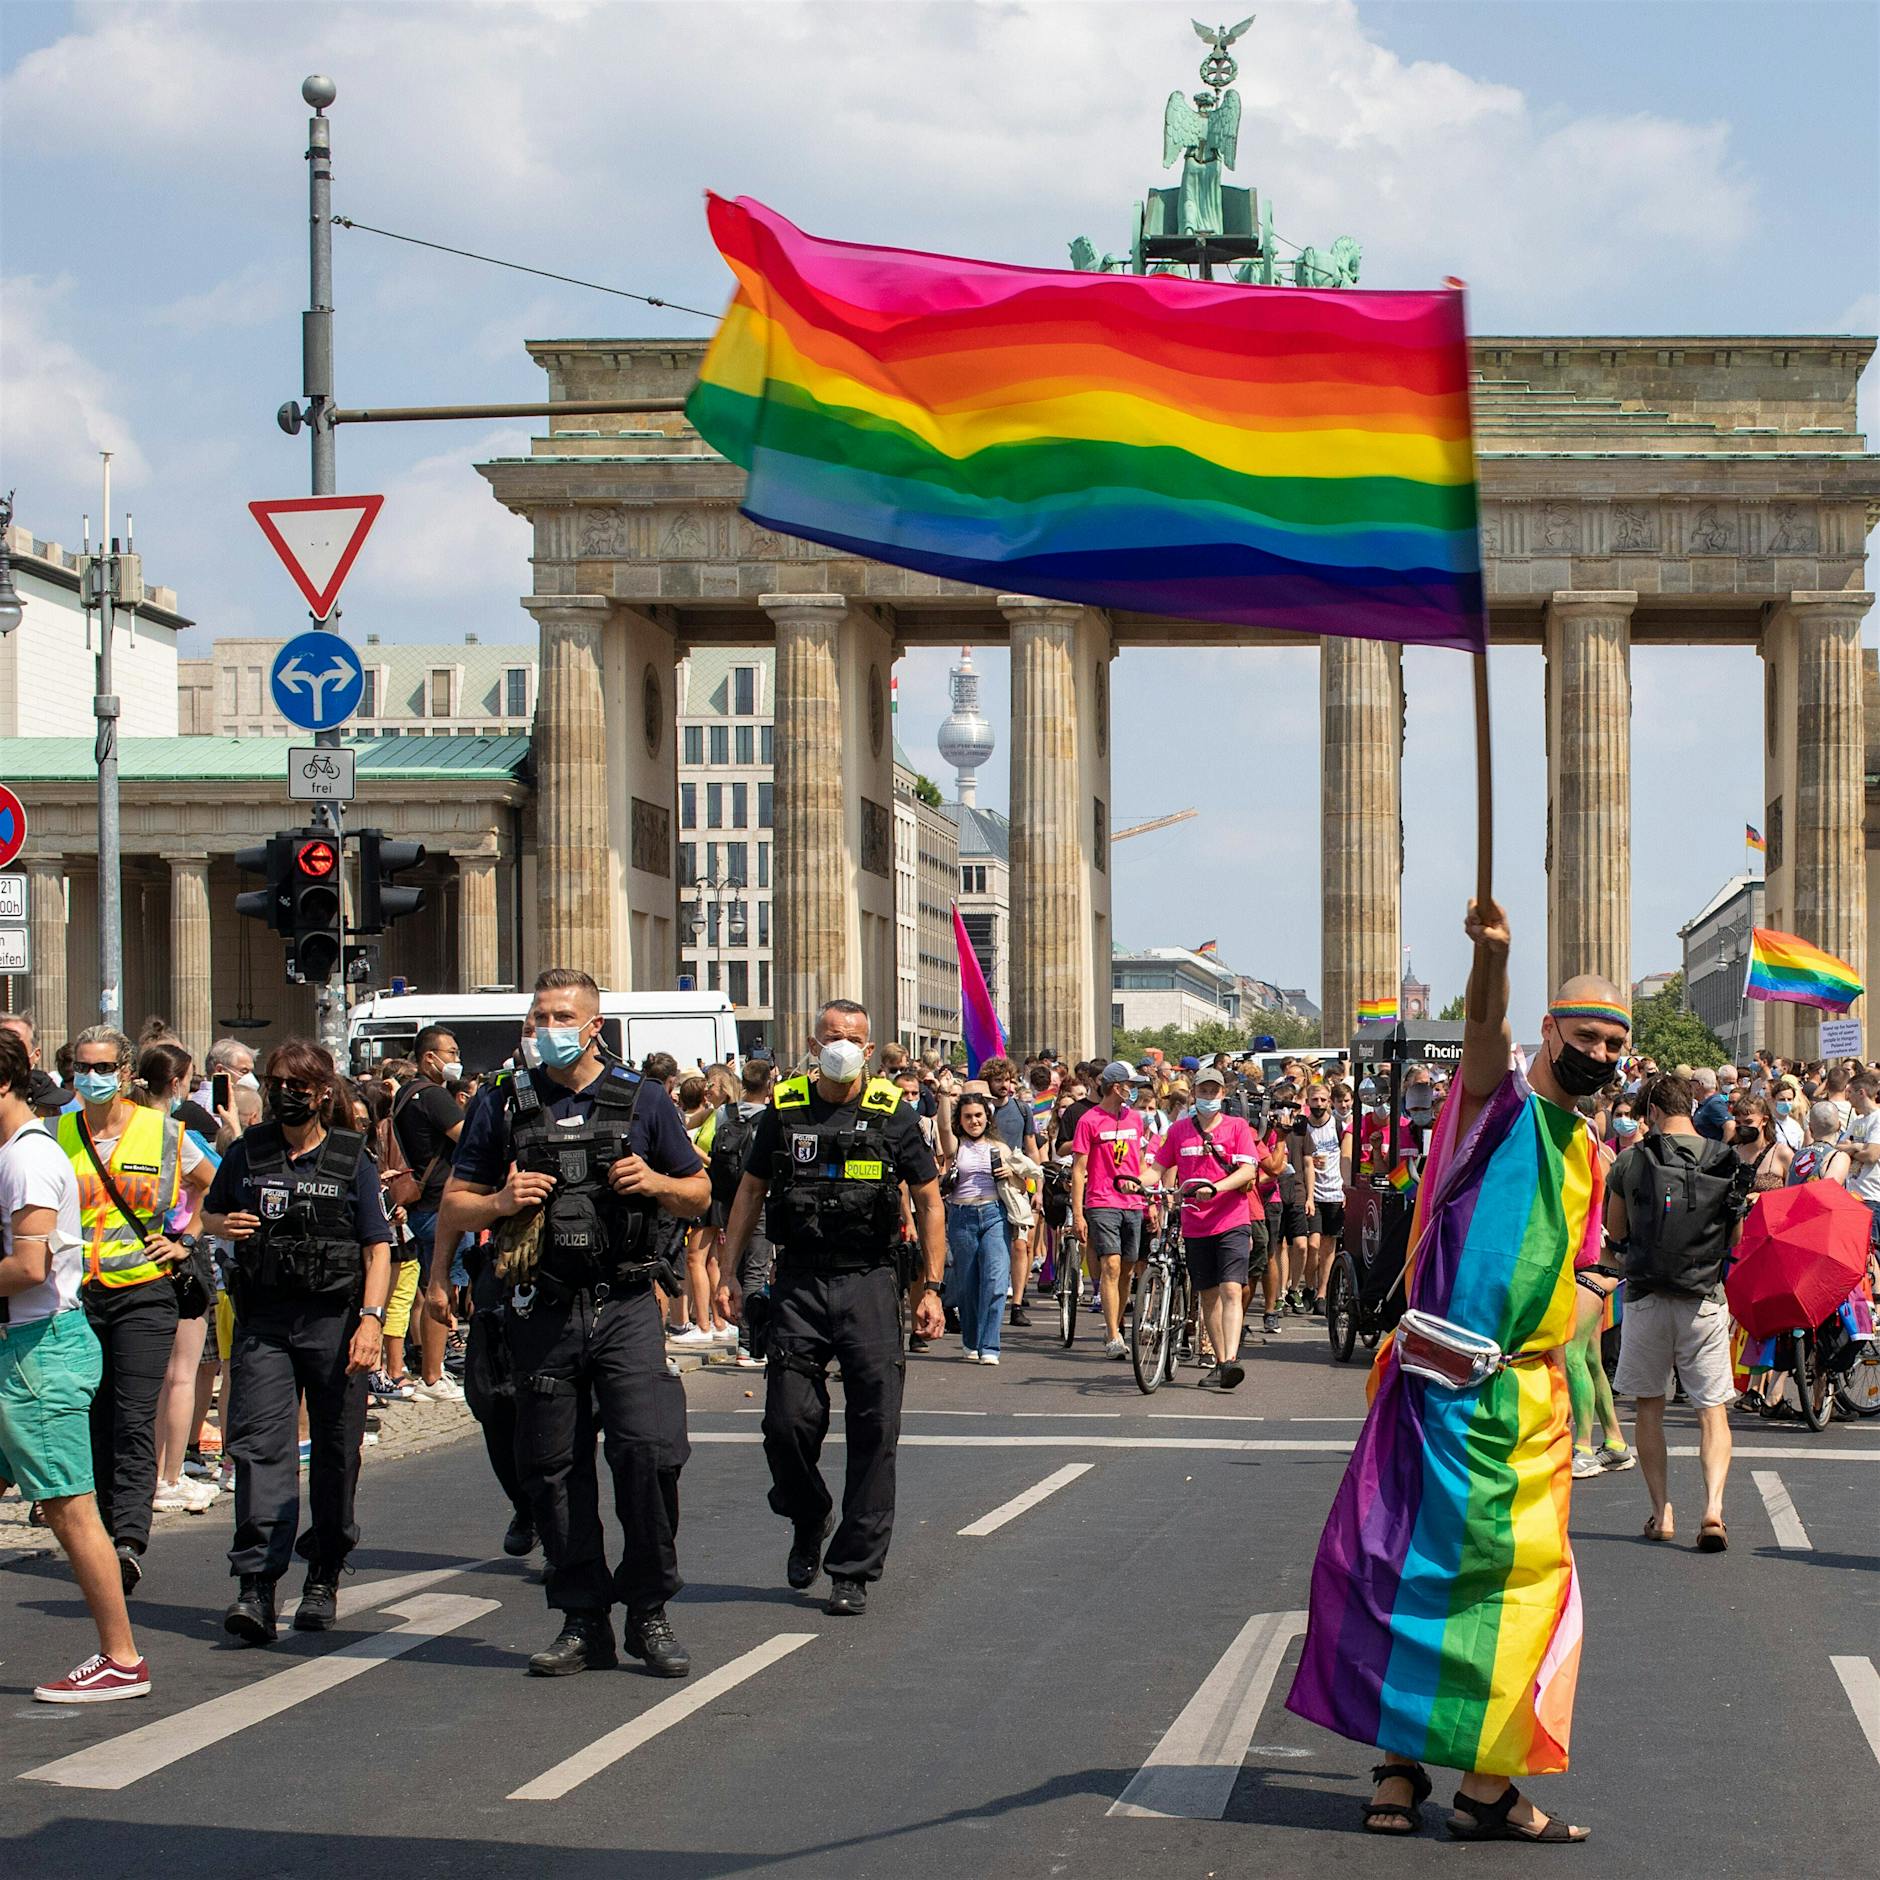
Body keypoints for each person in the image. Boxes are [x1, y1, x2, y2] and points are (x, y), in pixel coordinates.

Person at [1289, 906, 1617, 1844]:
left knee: (1520, 1593)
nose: (1598, 1052)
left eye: (1610, 1042)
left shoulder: (1592, 1151)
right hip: (1431, 1394)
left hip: (1525, 1404)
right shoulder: (1496, 1104)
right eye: (1584, 1034)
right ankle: (1396, 1767)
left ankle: (1487, 1785)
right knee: (1396, 1570)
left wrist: (1569, 1332)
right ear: (1550, 1031)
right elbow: (1483, 1032)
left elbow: (1585, 1270)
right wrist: (1494, 961)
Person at [437, 972, 707, 1676]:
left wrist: (654, 1184)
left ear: (593, 1026)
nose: (544, 1028)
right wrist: (500, 1200)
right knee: (553, 1470)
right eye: (536, 1017)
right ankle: (583, 1619)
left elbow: (700, 1192)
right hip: (545, 1309)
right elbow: (455, 1205)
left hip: (623, 1305)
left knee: (647, 1452)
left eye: (559, 1016)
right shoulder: (505, 1102)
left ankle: (648, 1610)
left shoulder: (644, 1100)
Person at [719, 998, 945, 1617]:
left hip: (871, 1281)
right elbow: (750, 1193)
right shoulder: (784, 1111)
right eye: (830, 1036)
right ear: (812, 1045)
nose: (840, 1045)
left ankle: (853, 1569)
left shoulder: (894, 1116)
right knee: (786, 1423)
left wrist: (930, 1286)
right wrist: (730, 1272)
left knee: (876, 1426)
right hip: (799, 1283)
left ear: (868, 1051)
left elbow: (928, 1199)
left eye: (852, 1037)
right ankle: (809, 1513)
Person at [200, 1041, 392, 1642]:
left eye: (298, 1085)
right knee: (259, 1450)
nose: (286, 1092)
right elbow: (207, 1214)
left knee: (337, 1452)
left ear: (322, 1090)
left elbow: (377, 1247)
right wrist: (220, 1225)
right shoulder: (248, 1153)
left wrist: (371, 1320)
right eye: (277, 1081)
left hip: (336, 1325)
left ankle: (324, 1573)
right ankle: (256, 1586)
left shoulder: (350, 1157)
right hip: (265, 1320)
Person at [0, 1027, 152, 1703]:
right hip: (23, 1349)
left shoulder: (28, 1159)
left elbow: (29, 1268)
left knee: (69, 1507)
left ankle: (121, 1657)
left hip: (39, 1352)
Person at [58, 1026, 214, 1594]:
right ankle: (98, 1528)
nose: (89, 1077)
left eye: (101, 1067)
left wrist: (187, 1239)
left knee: (132, 1413)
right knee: (91, 1414)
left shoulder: (163, 1131)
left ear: (125, 1074)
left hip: (145, 1291)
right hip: (78, 1294)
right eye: (81, 1065)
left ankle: (127, 1539)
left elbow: (213, 1189)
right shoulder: (59, 1133)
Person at [1605, 1074, 1742, 1551]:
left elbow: (1615, 1232)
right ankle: (1713, 1510)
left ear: (1652, 1114)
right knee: (1712, 1410)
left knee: (1649, 1406)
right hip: (1704, 1298)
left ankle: (1662, 1510)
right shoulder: (1726, 1161)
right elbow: (1735, 1240)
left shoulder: (1628, 1161)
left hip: (1645, 1295)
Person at [1152, 1063, 1262, 1388]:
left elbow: (1248, 1171)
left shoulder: (1237, 1127)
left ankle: (1229, 1360)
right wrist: (1133, 1183)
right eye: (1203, 1091)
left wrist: (1218, 1187)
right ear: (1194, 1094)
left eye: (1214, 1091)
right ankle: (1221, 1361)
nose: (1209, 1096)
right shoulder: (1178, 1131)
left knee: (1231, 1288)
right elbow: (1158, 1167)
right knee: (1209, 1295)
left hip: (1232, 1220)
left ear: (1223, 1094)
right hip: (1195, 1223)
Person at [389, 1028, 468, 1404]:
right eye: (449, 1053)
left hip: (421, 1201)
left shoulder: (405, 1095)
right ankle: (434, 1375)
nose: (455, 1059)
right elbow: (468, 1137)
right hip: (440, 1202)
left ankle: (429, 1365)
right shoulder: (434, 1095)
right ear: (428, 1058)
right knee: (443, 1290)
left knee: (423, 1290)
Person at [941, 1092, 1037, 1365]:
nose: (974, 1121)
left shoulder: (1000, 1147)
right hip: (962, 1216)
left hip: (995, 1214)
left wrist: (1013, 1175)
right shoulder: (956, 1146)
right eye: (968, 1116)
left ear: (987, 1118)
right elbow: (944, 1128)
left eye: (979, 1116)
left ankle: (990, 1345)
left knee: (995, 1282)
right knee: (968, 1285)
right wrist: (946, 1095)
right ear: (961, 1120)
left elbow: (1023, 1185)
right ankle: (971, 1340)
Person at [1070, 1063, 1151, 1360]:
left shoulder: (1136, 1120)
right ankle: (1113, 1333)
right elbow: (1079, 1170)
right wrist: (1078, 1213)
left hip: (1133, 1204)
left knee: (1128, 1268)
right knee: (1111, 1265)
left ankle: (1116, 1321)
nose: (1135, 1091)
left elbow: (1140, 1162)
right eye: (1131, 1085)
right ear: (1117, 1087)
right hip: (1102, 1201)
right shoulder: (1089, 1121)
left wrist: (1148, 1201)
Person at [980, 1056, 1039, 1327]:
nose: (1004, 1085)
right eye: (998, 1080)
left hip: (1016, 1184)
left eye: (1008, 1080)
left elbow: (1031, 1148)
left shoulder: (1022, 1110)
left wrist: (1035, 1186)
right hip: (984, 1186)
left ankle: (1017, 1302)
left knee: (1020, 1244)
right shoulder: (979, 1110)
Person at [1294, 1081, 1345, 1314]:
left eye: (1324, 1100)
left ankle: (1322, 1293)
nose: (1319, 1104)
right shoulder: (1303, 1127)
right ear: (1307, 1102)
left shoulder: (1338, 1125)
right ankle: (1310, 1286)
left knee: (1328, 1245)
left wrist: (1346, 1189)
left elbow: (1346, 1157)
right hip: (1312, 1194)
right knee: (1312, 1244)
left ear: (1330, 1102)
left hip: (1334, 1190)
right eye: (1315, 1100)